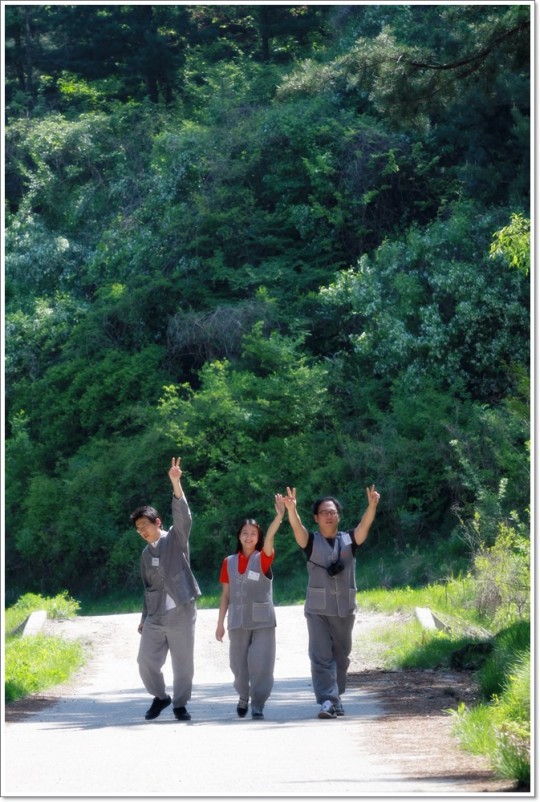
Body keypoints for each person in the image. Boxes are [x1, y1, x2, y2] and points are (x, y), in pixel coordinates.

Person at [280, 485, 380, 720]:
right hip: (317, 610)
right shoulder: (311, 542)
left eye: (332, 512)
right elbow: (298, 529)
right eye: (324, 512)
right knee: (320, 656)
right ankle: (327, 700)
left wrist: (372, 506)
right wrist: (292, 510)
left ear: (338, 516)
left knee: (341, 657)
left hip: (344, 609)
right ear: (316, 517)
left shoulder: (349, 540)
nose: (328, 516)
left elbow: (364, 526)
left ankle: (336, 696)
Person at [130, 456, 201, 722]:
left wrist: (175, 483)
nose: (142, 531)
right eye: (138, 529)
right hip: (155, 616)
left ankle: (180, 705)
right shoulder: (145, 555)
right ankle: (161, 697)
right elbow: (147, 588)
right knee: (145, 661)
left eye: (145, 526)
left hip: (182, 610)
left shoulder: (176, 539)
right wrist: (143, 618)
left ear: (157, 522)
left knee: (183, 665)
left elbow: (184, 518)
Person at [215, 496, 285, 720]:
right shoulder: (228, 562)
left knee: (261, 662)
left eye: (253, 533)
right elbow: (226, 595)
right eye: (245, 533)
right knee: (237, 664)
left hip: (263, 621)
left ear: (258, 537)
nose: (248, 536)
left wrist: (279, 517)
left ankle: (258, 704)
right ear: (239, 536)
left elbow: (270, 537)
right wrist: (220, 624)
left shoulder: (263, 557)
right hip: (237, 620)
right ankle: (243, 695)